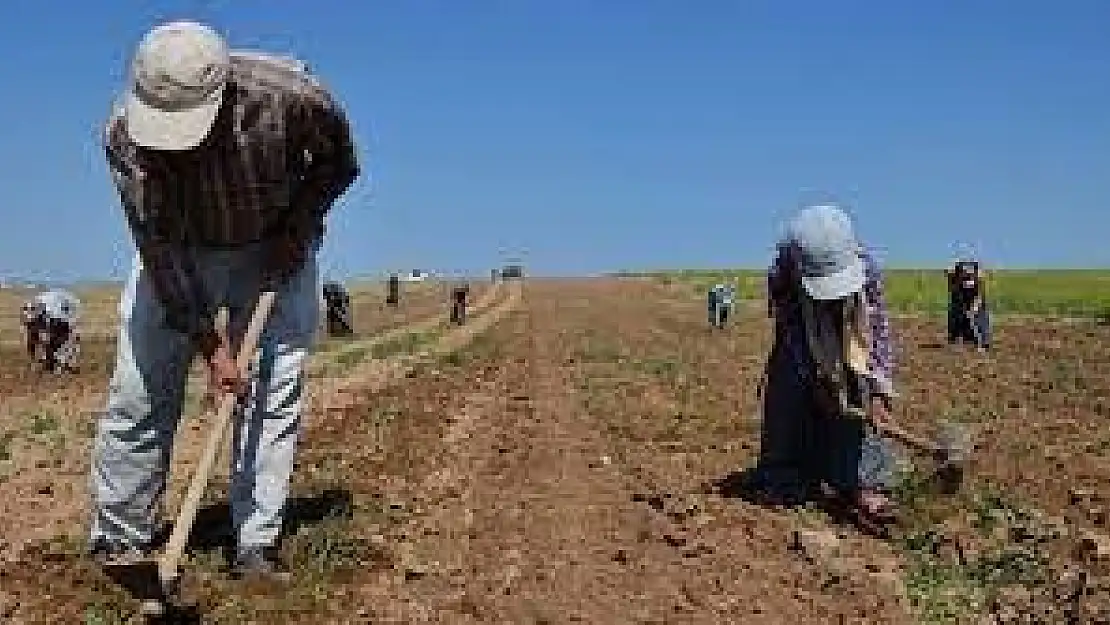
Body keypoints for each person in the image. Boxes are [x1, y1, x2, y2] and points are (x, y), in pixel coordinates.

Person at [89, 20, 359, 582]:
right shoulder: (123, 135)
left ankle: (254, 543)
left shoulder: (290, 95)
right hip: (182, 249)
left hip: (272, 244)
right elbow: (158, 250)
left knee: (271, 392)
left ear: (222, 94)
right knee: (138, 392)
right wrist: (212, 349)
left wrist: (298, 226)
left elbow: (339, 164)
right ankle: (118, 541)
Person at [759, 204, 899, 530]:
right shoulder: (782, 277)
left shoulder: (867, 270)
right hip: (804, 336)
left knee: (858, 383)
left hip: (851, 332)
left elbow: (878, 334)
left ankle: (866, 482)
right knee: (788, 384)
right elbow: (793, 337)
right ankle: (784, 472)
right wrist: (816, 380)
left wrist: (879, 391)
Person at [21, 289, 81, 373]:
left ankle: (54, 363)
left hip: (59, 321)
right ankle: (50, 362)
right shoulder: (38, 305)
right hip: (56, 319)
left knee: (53, 343)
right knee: (49, 343)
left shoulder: (52, 310)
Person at [946, 260, 990, 351]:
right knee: (955, 314)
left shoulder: (977, 282)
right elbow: (955, 297)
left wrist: (973, 309)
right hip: (961, 302)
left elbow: (978, 297)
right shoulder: (955, 281)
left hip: (975, 303)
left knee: (979, 316)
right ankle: (958, 336)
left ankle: (982, 341)